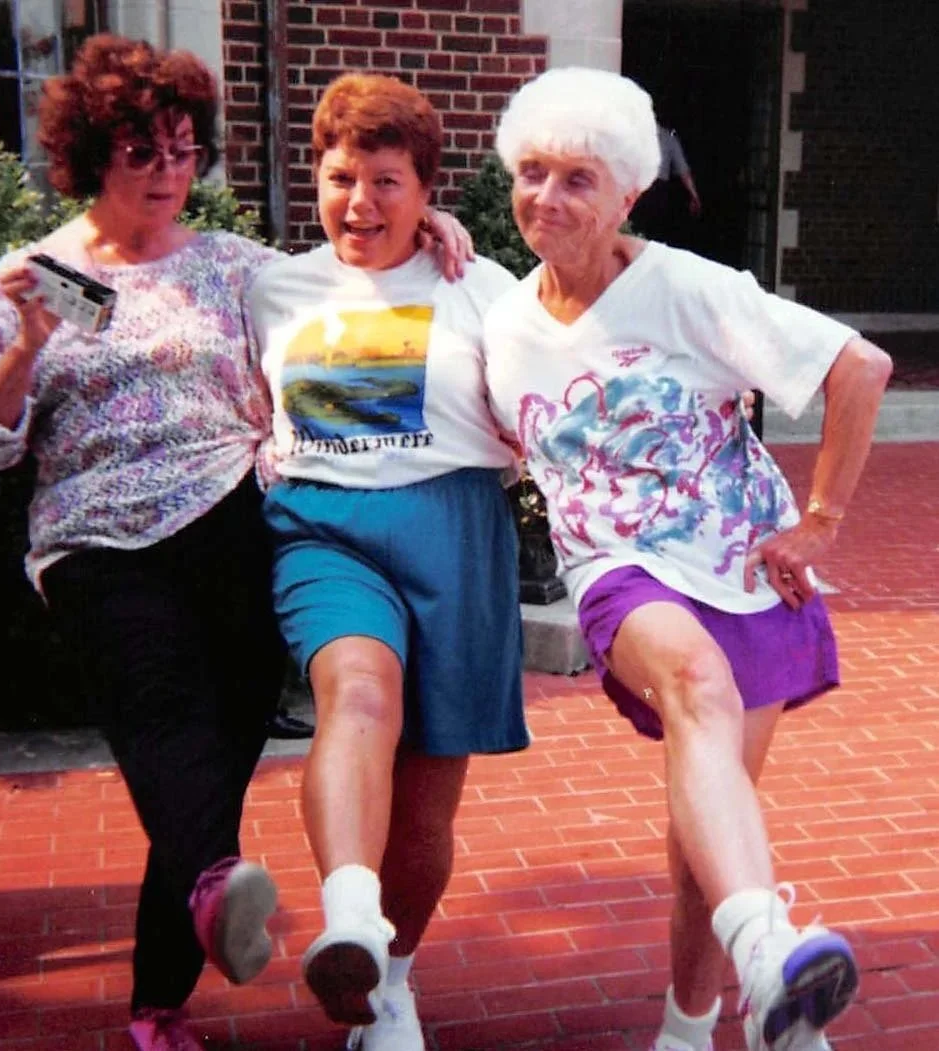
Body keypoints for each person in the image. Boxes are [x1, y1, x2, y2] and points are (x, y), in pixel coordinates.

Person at [0, 35, 470, 1051]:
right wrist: (28, 355)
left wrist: (426, 220)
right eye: (146, 153)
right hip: (95, 543)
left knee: (209, 771)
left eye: (185, 152)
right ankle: (220, 888)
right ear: (93, 153)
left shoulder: (236, 267)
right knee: (166, 728)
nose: (171, 173)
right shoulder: (31, 276)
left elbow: (349, 271)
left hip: (231, 520)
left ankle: (156, 1002)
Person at [483, 68, 892, 1051]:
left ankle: (694, 1027)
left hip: (748, 574)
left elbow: (858, 367)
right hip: (617, 572)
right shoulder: (495, 319)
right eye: (530, 172)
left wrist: (822, 521)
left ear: (627, 191)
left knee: (701, 849)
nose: (546, 197)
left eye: (577, 178)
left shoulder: (686, 289)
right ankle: (768, 955)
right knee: (695, 684)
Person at [249, 72, 530, 1051]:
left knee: (425, 800)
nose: (359, 202)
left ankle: (391, 983)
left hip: (455, 531)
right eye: (339, 177)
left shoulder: (482, 286)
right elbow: (137, 283)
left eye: (387, 181)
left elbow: (548, 397)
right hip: (322, 528)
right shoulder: (268, 283)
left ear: (425, 190)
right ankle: (350, 921)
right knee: (358, 694)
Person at [629, 121, 701, 243]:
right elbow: (683, 171)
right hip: (659, 190)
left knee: (636, 231)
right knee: (657, 233)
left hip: (641, 187)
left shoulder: (636, 137)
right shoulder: (669, 137)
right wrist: (694, 196)